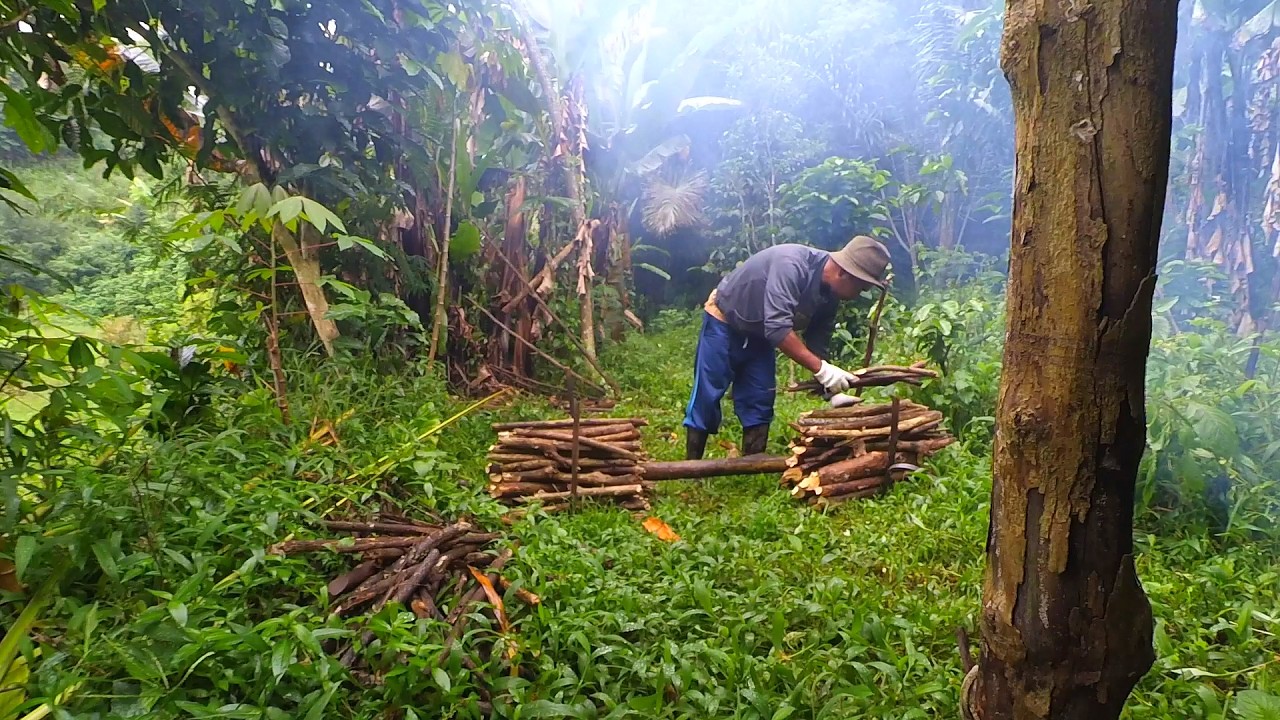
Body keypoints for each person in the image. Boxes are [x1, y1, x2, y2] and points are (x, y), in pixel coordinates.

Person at [682, 235, 891, 460]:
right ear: (844, 274)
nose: (860, 294)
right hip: (725, 320)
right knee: (708, 392)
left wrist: (830, 389)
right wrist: (822, 370)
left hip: (761, 335)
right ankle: (690, 468)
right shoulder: (790, 264)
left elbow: (818, 338)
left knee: (760, 397)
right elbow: (777, 327)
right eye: (860, 287)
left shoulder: (830, 294)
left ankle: (750, 468)